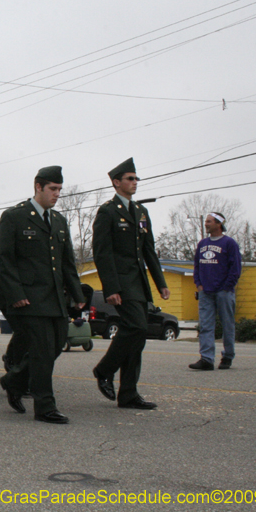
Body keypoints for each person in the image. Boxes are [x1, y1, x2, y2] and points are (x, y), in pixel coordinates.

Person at [0, 167, 85, 424]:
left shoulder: (58, 221)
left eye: (59, 190)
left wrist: (77, 294)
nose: (56, 194)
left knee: (56, 346)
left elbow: (67, 263)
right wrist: (15, 293)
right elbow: (3, 260)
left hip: (54, 298)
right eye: (52, 189)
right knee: (42, 351)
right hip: (30, 298)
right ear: (38, 187)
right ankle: (45, 406)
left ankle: (13, 380)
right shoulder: (15, 216)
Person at [92, 158, 169, 410]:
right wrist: (111, 288)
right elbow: (102, 253)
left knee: (138, 337)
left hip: (139, 283)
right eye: (130, 178)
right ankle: (104, 369)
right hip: (121, 283)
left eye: (136, 179)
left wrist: (161, 283)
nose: (135, 183)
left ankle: (128, 393)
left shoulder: (141, 212)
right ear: (116, 182)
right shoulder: (108, 211)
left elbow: (149, 251)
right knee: (135, 328)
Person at [189, 212, 242, 371]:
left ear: (219, 224)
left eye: (209, 221)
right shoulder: (202, 244)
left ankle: (227, 356)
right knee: (205, 326)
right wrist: (198, 284)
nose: (206, 224)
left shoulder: (229, 243)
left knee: (227, 325)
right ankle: (206, 359)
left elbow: (235, 268)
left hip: (224, 292)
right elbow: (197, 266)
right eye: (206, 221)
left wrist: (227, 287)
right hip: (206, 292)